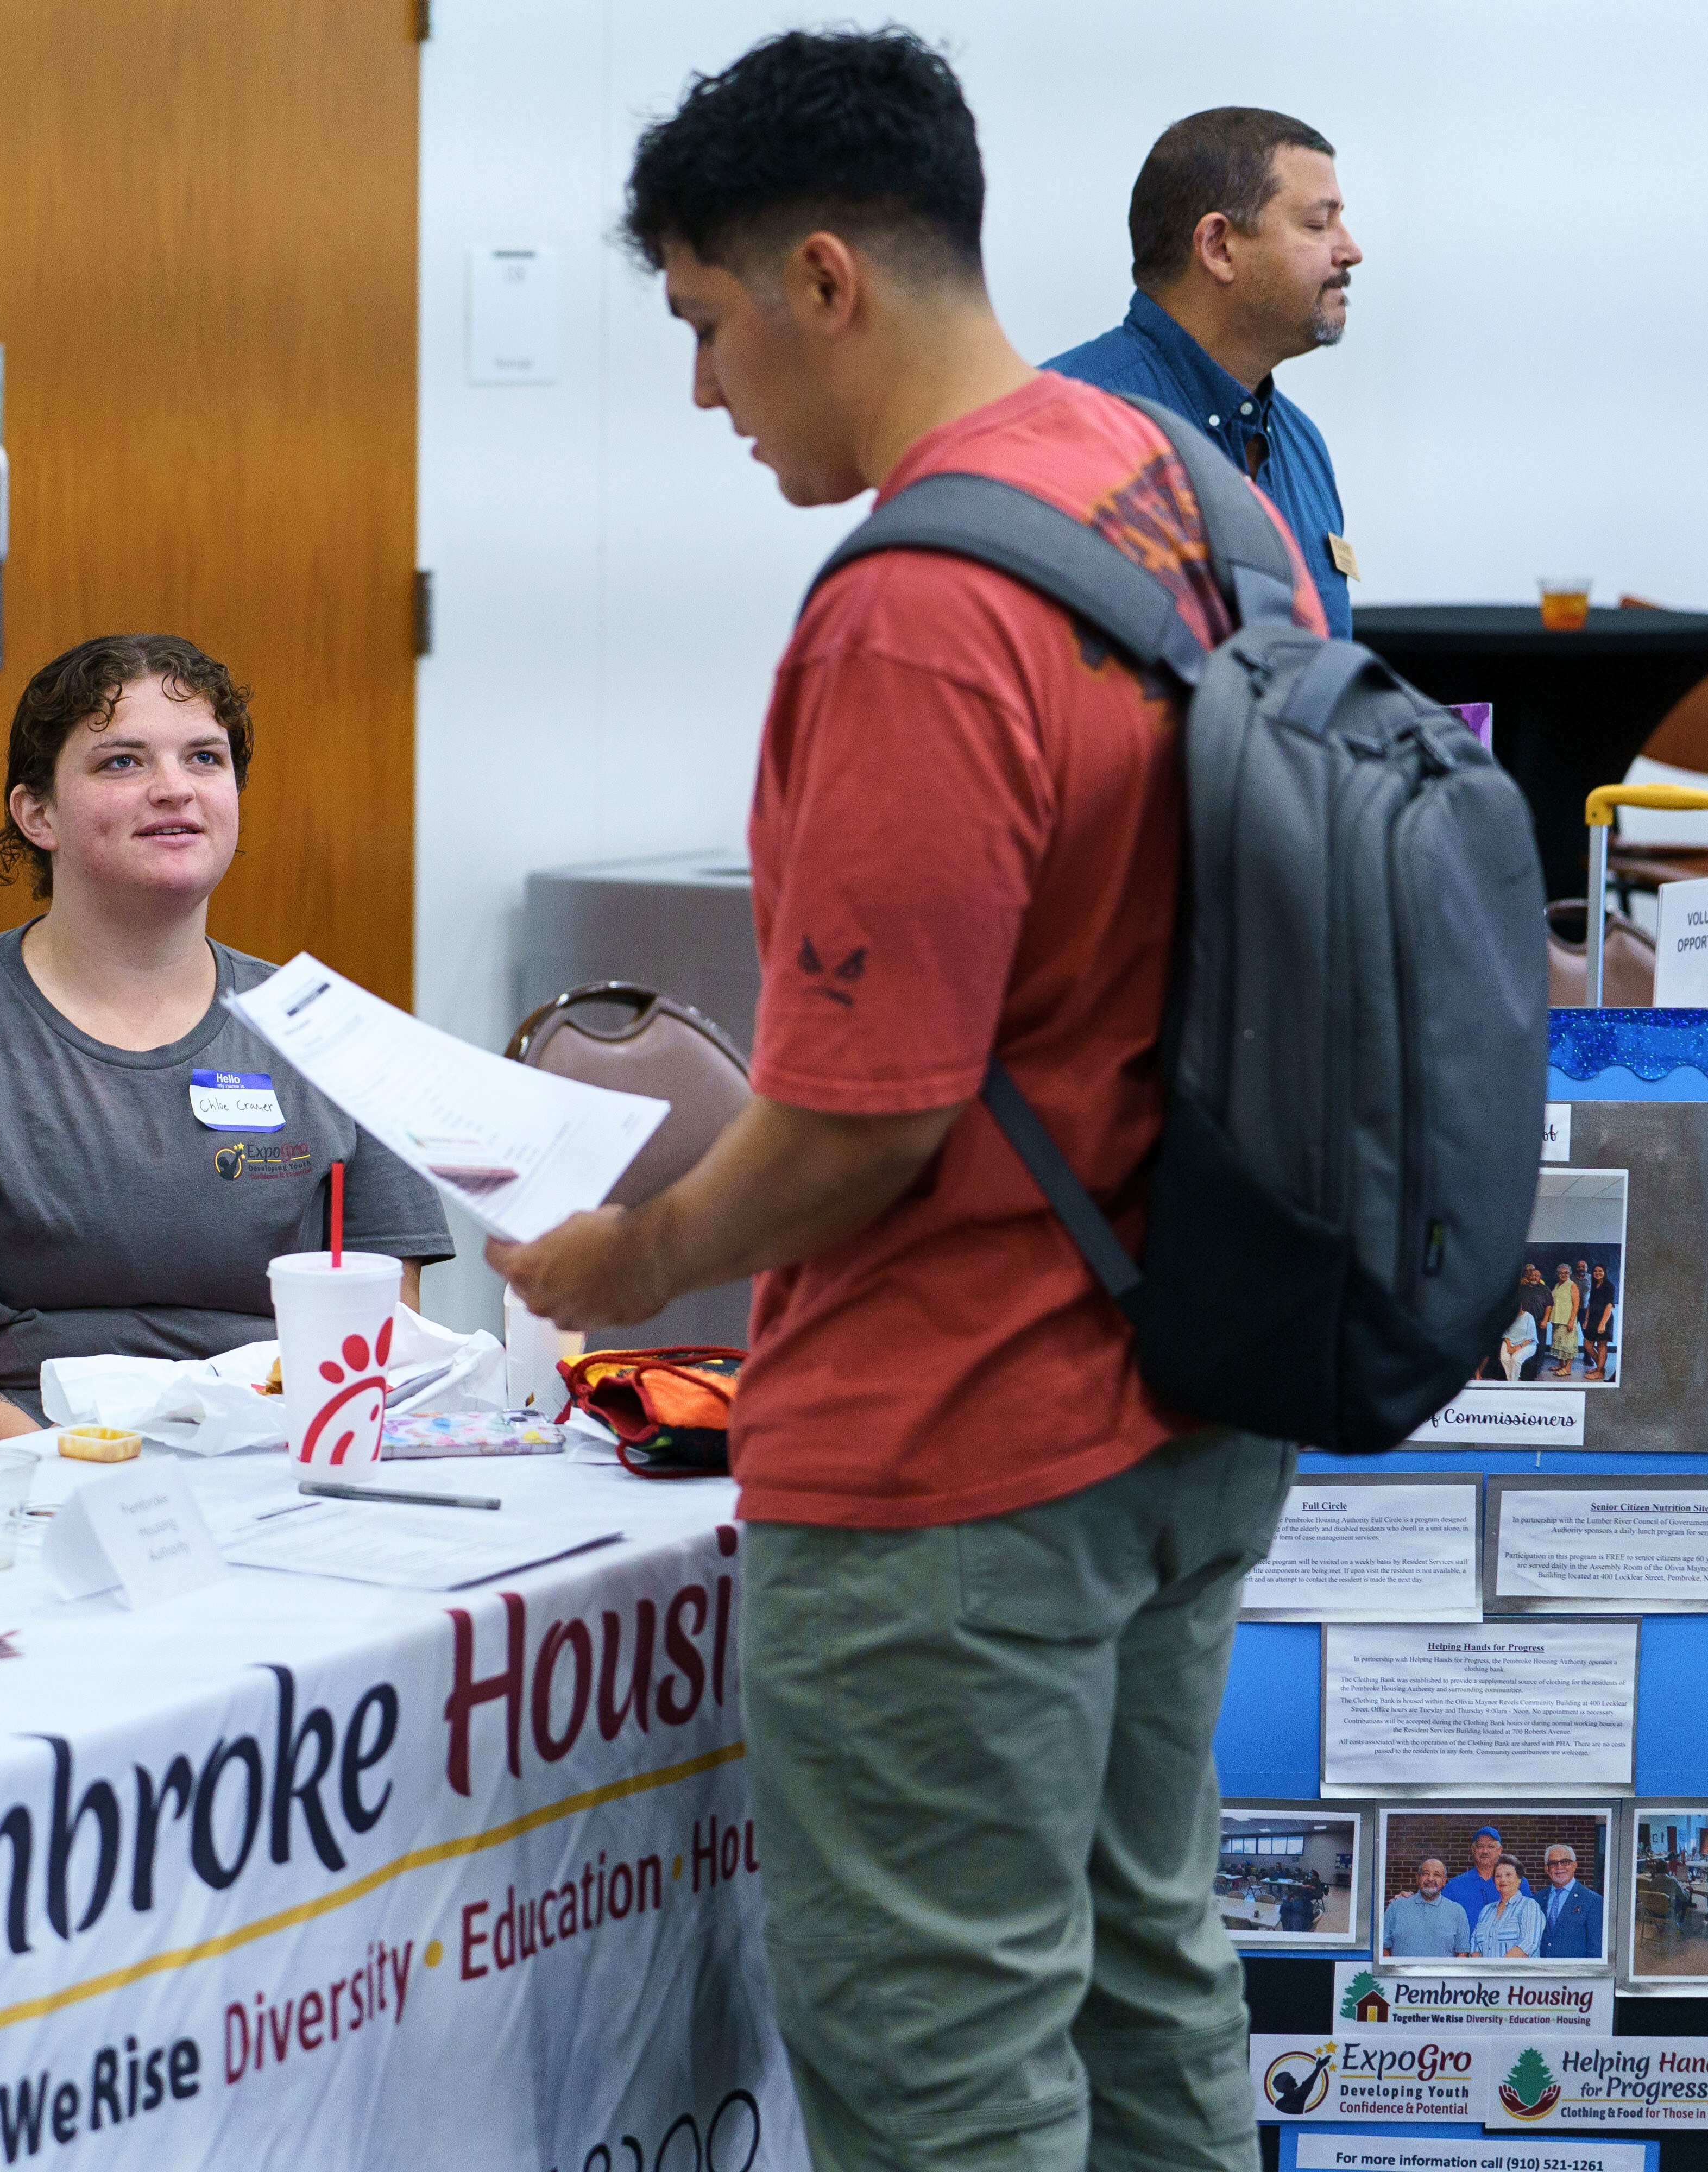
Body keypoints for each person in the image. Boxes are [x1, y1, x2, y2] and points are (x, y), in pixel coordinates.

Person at [488, 33, 1325, 2171]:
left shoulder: (922, 613)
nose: (703, 393)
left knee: (937, 2070)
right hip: (1191, 1375)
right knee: (1148, 1989)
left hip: (959, 1447)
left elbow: (868, 1117)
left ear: (827, 279)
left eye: (704, 323)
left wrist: (631, 1258)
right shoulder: (1210, 501)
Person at [0, 633, 450, 1479]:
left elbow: (374, 1339)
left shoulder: (334, 1038)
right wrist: (86, 1474)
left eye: (204, 758)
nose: (174, 788)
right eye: (122, 763)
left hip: (268, 1479)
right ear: (38, 814)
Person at [1044, 108, 1360, 636]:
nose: (1351, 251)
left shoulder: (1304, 446)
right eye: (1317, 224)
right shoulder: (1060, 428)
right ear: (1219, 248)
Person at [1381, 1857, 1471, 1960]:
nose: (1431, 1879)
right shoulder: (1396, 1907)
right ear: (1417, 1878)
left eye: (1437, 1875)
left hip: (1442, 1975)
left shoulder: (1457, 1911)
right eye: (1426, 1874)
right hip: (1403, 1975)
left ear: (1444, 1881)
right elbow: (1383, 1948)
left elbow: (1462, 1953)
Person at [1535, 1842, 1604, 1958]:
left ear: (1575, 1865)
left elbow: (1595, 1948)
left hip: (1573, 1972)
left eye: (1565, 1862)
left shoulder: (1593, 1901)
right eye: (1553, 1863)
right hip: (1541, 1971)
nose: (1559, 1867)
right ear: (1547, 1869)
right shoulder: (1537, 1899)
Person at [1471, 1855, 1544, 1960]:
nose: (1503, 1880)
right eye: (1498, 1876)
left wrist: (1497, 1970)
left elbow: (1528, 1944)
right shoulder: (1486, 1911)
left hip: (1516, 1975)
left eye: (1508, 1875)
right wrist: (1482, 1971)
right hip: (1485, 1975)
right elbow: (1475, 1945)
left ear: (1519, 1879)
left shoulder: (1529, 1906)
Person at [1440, 1824, 1508, 1923]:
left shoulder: (1517, 1882)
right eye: (1480, 1846)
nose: (1485, 1851)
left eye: (1491, 1847)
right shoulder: (1455, 1886)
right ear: (1473, 1849)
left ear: (1499, 1851)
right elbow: (1438, 1914)